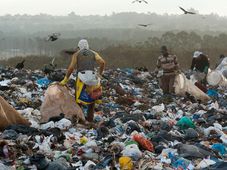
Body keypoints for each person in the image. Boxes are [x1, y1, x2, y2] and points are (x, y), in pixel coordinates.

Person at [60, 39, 105, 122]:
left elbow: (71, 67)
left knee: (79, 101)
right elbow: (102, 62)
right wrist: (100, 74)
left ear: (79, 47)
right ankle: (90, 121)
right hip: (92, 78)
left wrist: (65, 79)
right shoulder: (94, 53)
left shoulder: (76, 54)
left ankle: (80, 120)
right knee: (92, 101)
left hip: (81, 78)